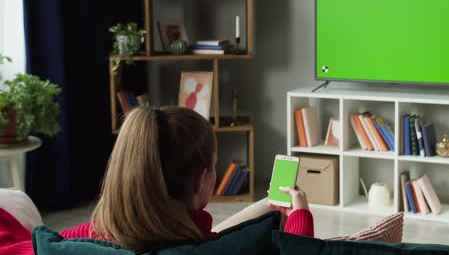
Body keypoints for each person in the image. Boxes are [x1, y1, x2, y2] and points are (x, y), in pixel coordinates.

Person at [0, 107, 314, 254]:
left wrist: (266, 206)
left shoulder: (100, 231)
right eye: (215, 165)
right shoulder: (208, 250)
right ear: (200, 180)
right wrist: (301, 217)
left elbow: (210, 233)